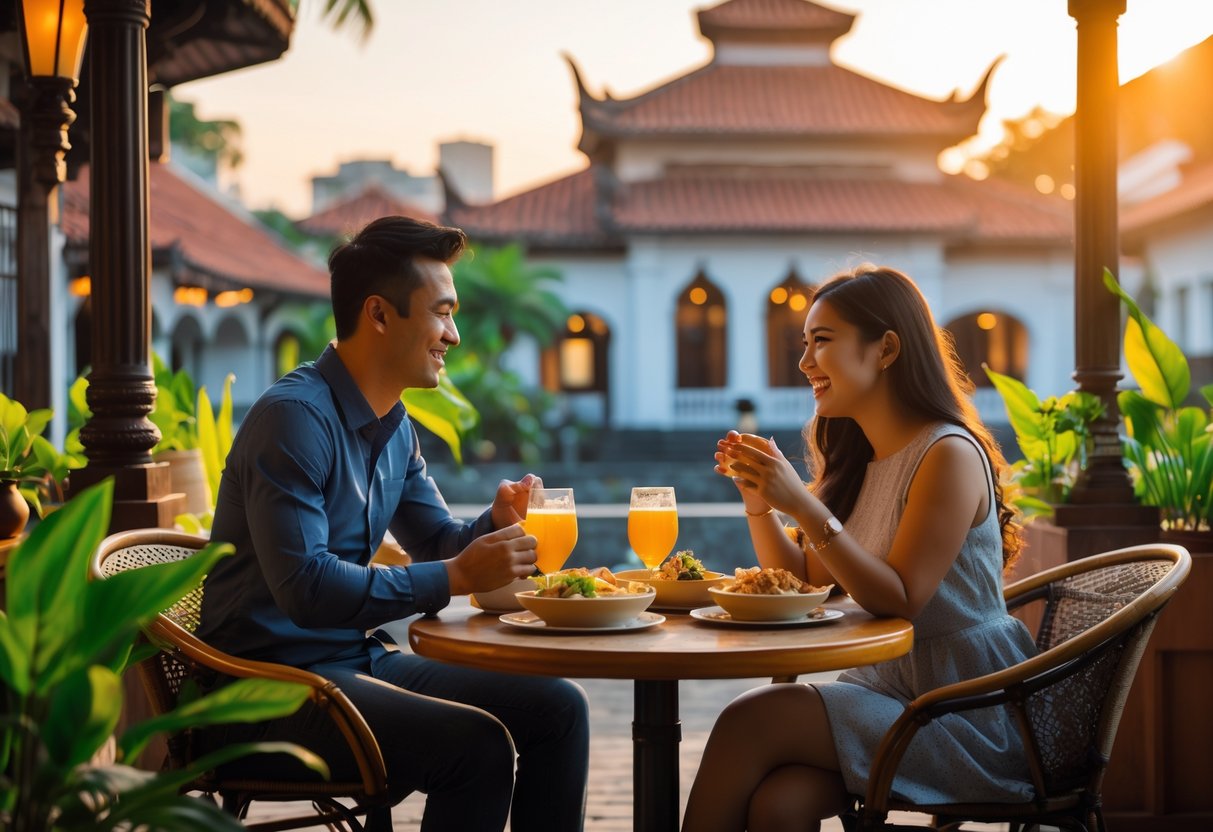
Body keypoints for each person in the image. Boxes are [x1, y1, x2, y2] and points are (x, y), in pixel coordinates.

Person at [195, 216, 589, 831]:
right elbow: (309, 590)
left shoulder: (395, 425)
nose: (453, 335)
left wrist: (493, 522)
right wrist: (456, 573)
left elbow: (435, 541)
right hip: (267, 687)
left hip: (353, 663)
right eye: (442, 313)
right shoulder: (293, 419)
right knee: (477, 746)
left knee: (559, 707)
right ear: (379, 315)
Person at [682, 265, 1038, 832]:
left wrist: (803, 505)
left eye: (820, 342)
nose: (804, 364)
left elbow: (901, 598)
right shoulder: (863, 459)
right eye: (804, 344)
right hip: (887, 691)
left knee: (750, 719)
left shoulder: (947, 453)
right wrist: (759, 501)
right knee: (781, 804)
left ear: (887, 348)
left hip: (960, 708)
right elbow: (807, 577)